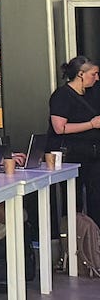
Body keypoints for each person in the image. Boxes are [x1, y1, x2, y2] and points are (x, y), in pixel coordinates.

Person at [50, 56, 100, 214]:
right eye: (93, 74)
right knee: (73, 199)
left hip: (92, 153)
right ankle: (73, 227)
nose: (96, 78)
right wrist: (91, 124)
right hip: (72, 154)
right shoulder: (62, 95)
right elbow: (59, 128)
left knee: (95, 197)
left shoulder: (92, 94)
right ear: (80, 74)